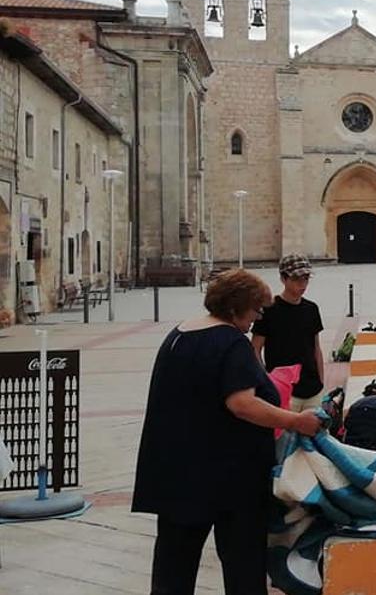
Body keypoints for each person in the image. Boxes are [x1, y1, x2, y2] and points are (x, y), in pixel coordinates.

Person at [133, 269, 322, 595]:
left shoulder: (179, 334)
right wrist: (294, 421)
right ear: (236, 308)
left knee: (173, 566)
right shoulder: (229, 342)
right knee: (243, 564)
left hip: (176, 472)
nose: (256, 319)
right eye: (254, 311)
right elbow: (242, 404)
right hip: (229, 478)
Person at [252, 254, 325, 412]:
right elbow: (255, 348)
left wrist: (321, 381)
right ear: (283, 279)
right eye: (297, 279)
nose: (303, 284)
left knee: (315, 435)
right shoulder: (269, 310)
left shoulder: (311, 309)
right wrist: (266, 380)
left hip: (312, 388)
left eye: (306, 278)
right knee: (286, 436)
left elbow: (316, 348)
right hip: (283, 389)